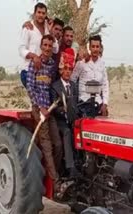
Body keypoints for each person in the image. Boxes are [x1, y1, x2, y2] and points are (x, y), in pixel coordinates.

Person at [26, 34, 58, 180]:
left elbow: (51, 87)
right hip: (39, 108)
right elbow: (30, 87)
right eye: (44, 45)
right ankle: (54, 179)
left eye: (49, 46)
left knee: (57, 143)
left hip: (50, 107)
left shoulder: (52, 65)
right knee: (46, 143)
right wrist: (40, 107)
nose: (47, 48)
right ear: (41, 46)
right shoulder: (34, 63)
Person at [51, 48, 80, 177]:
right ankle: (70, 167)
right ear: (60, 70)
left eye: (70, 69)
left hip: (72, 119)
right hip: (60, 121)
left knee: (79, 131)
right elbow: (54, 108)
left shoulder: (74, 86)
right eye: (65, 69)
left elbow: (77, 103)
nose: (68, 72)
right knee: (67, 132)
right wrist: (63, 110)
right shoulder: (55, 86)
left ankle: (82, 163)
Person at [19, 2, 59, 87]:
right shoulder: (28, 27)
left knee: (43, 96)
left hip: (43, 72)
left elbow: (56, 49)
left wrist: (51, 31)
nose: (41, 15)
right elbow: (21, 49)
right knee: (36, 96)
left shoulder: (48, 27)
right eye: (39, 12)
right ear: (34, 14)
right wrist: (34, 56)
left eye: (43, 13)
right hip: (28, 71)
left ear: (46, 15)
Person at [71, 35, 109, 117]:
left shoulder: (102, 64)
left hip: (98, 103)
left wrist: (105, 104)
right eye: (93, 46)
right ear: (90, 47)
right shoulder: (82, 63)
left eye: (97, 47)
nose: (95, 49)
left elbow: (105, 84)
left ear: (100, 48)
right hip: (83, 103)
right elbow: (72, 80)